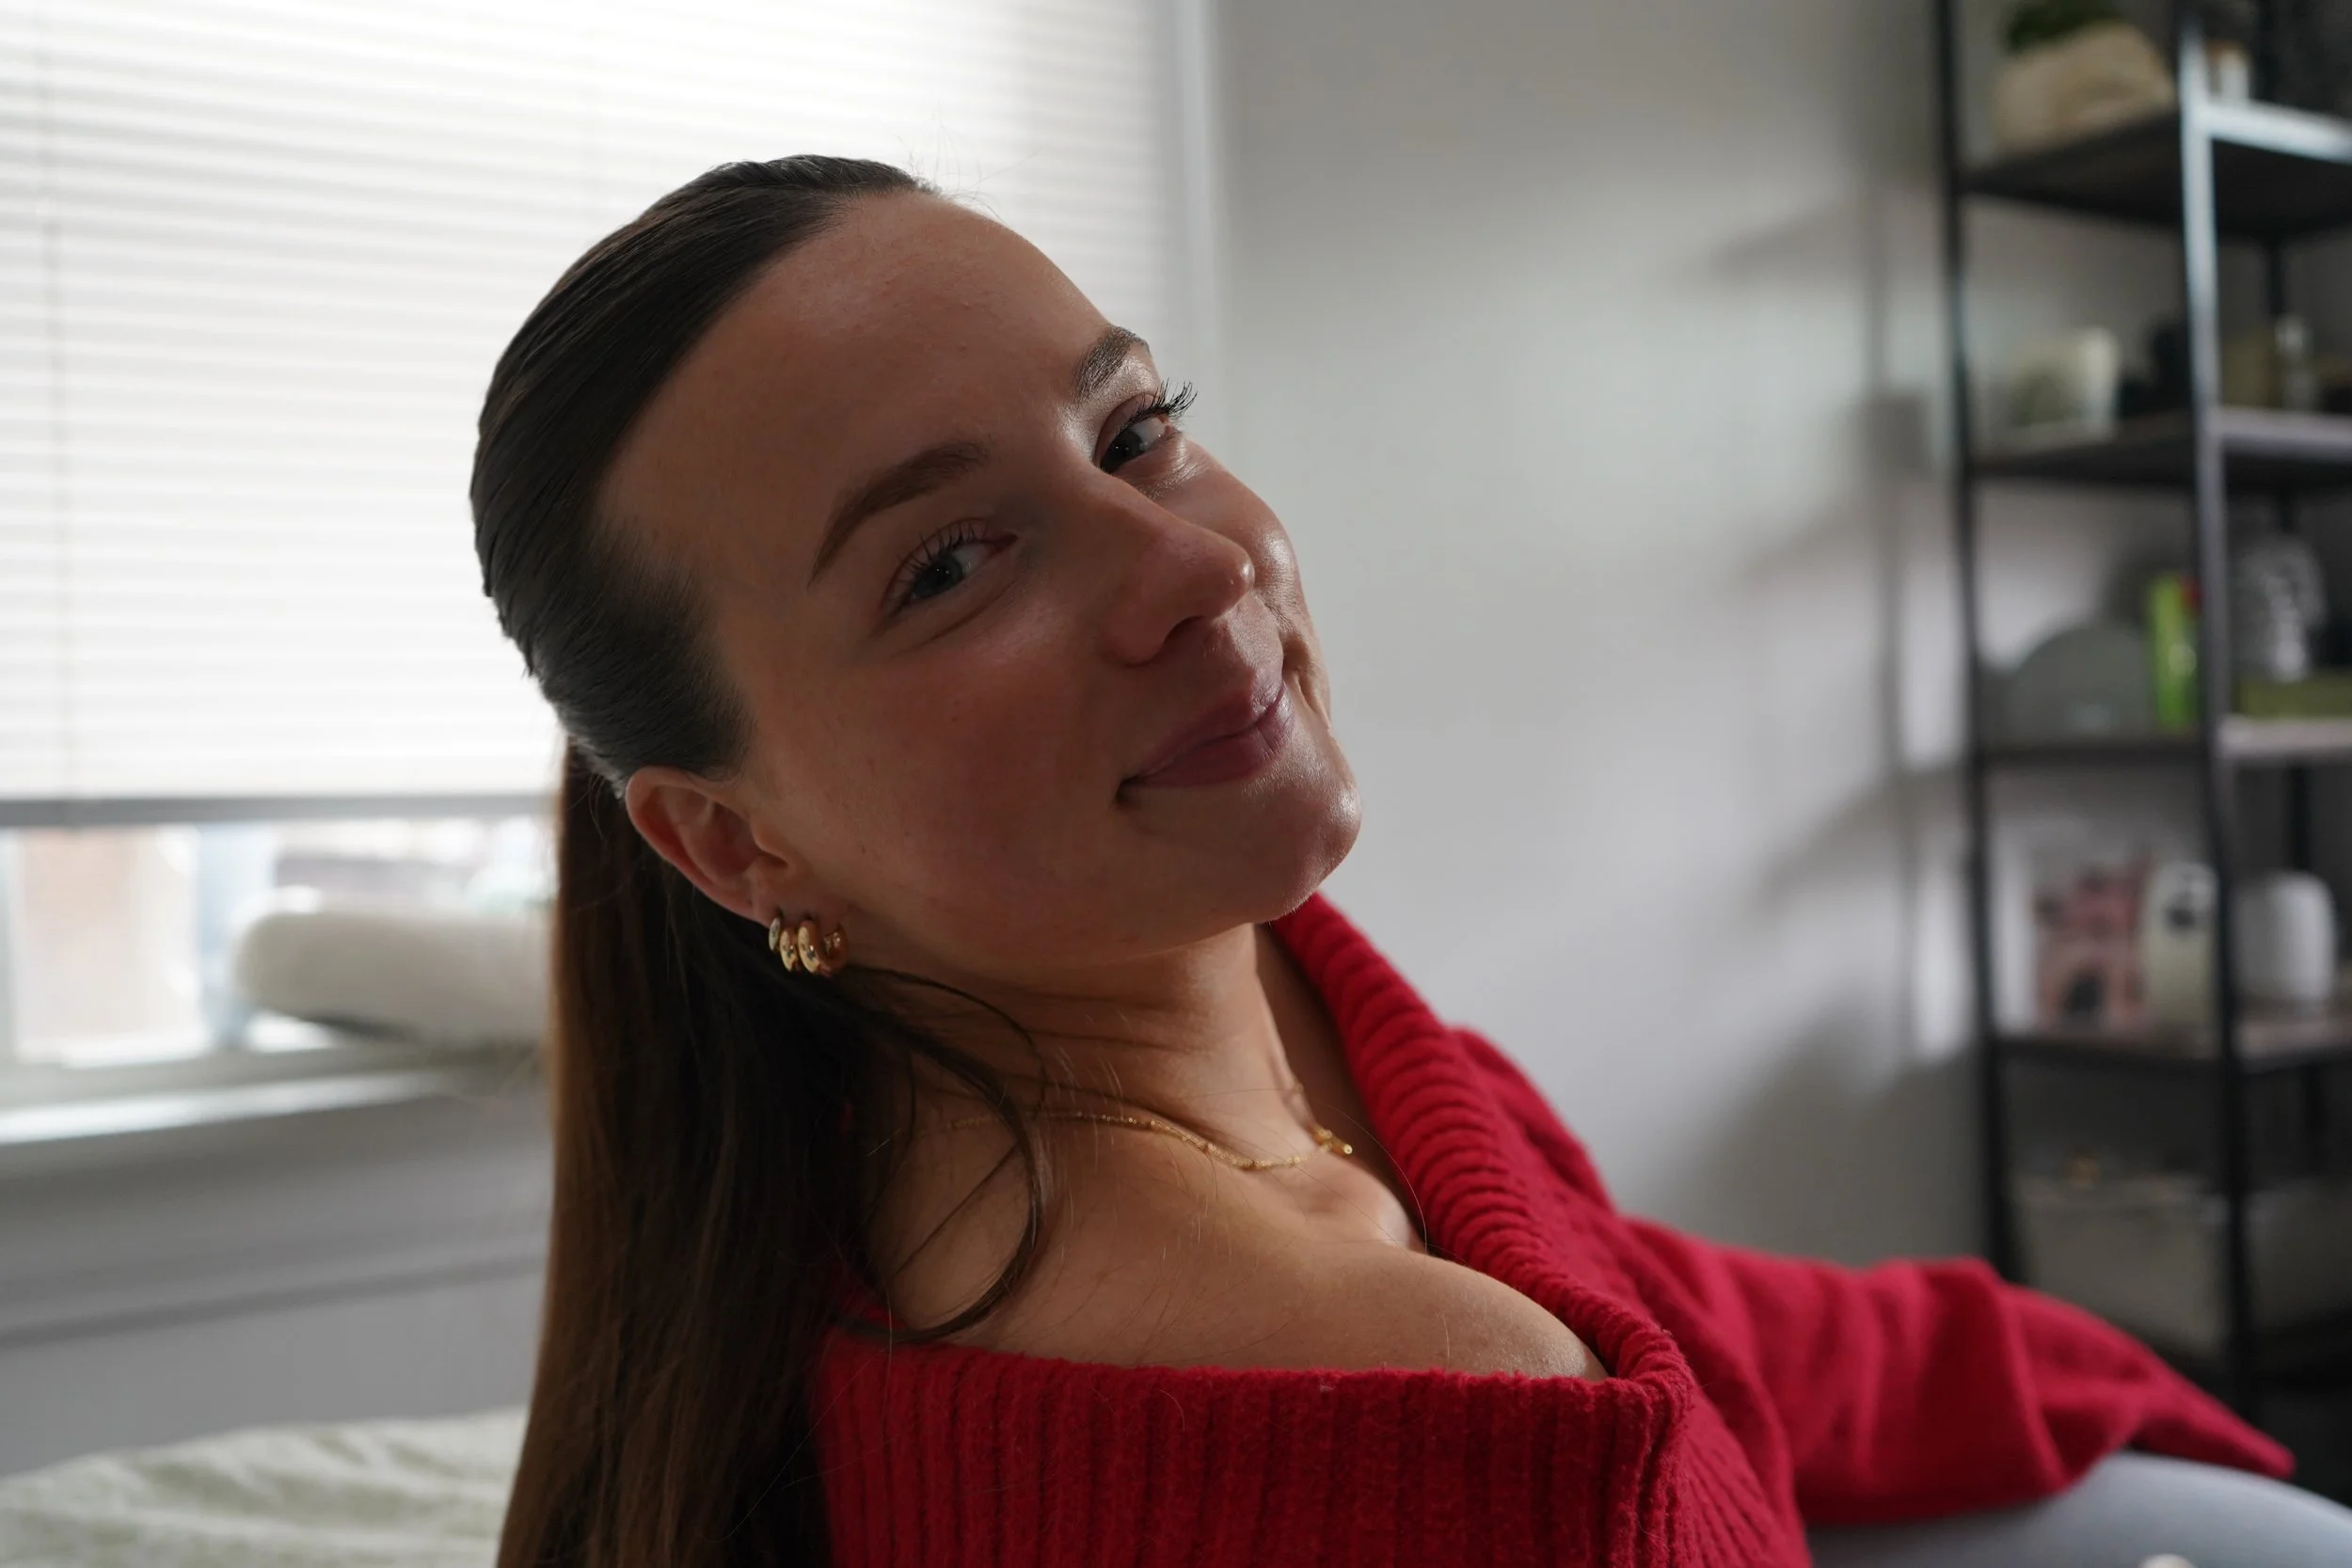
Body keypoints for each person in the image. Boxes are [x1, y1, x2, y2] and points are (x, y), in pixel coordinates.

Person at [471, 156, 2343, 1567]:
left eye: (1133, 429)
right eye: (949, 563)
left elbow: (1661, 1298)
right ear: (731, 838)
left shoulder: (1232, 987)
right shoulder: (1431, 1422)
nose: (1197, 565)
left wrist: (2125, 1389)